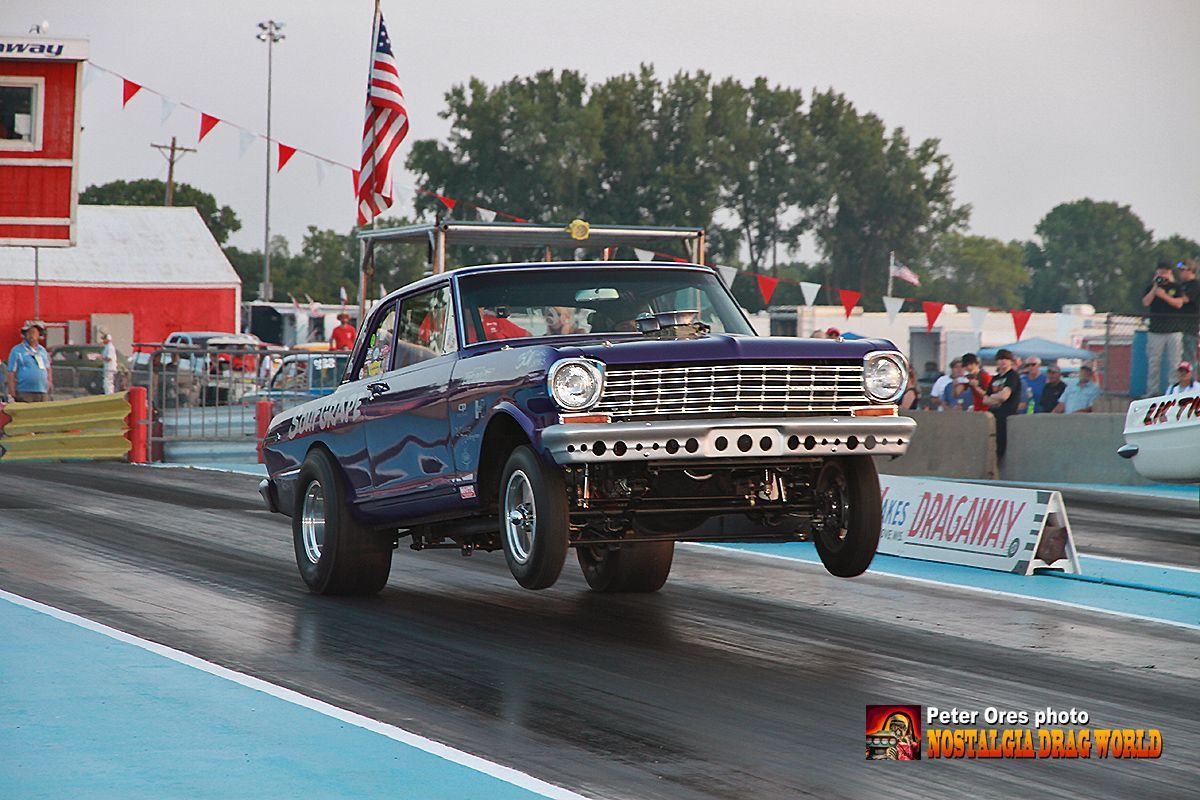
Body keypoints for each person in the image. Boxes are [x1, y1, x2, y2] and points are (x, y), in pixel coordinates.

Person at [1141, 261, 1185, 396]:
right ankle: (1152, 391)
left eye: (1165, 273)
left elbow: (1179, 304)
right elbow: (1145, 302)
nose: (1162, 275)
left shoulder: (1175, 287)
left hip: (1173, 330)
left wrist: (1164, 296)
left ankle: (1174, 391)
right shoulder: (1151, 287)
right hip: (1156, 331)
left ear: (1170, 273)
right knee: (1154, 362)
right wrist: (1155, 288)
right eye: (1160, 273)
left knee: (1174, 362)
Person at [982, 348, 1022, 461]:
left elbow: (1005, 396)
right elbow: (985, 400)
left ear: (1011, 361)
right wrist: (996, 397)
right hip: (993, 413)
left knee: (1001, 444)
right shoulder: (995, 378)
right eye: (1000, 359)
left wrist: (993, 397)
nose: (1003, 361)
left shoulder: (1012, 376)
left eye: (1006, 359)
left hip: (1006, 415)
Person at [6, 321, 53, 402]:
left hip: (42, 392)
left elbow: (48, 368)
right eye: (29, 333)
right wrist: (12, 392)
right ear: (25, 334)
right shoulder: (17, 351)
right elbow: (11, 373)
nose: (31, 335)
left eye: (34, 332)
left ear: (39, 334)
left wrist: (49, 383)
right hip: (24, 392)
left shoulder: (42, 351)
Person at [1178, 259, 1199, 367]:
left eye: (1183, 270)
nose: (1180, 272)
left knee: (1189, 358)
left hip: (1190, 327)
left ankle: (1191, 382)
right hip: (1178, 327)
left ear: (1191, 270)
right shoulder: (1182, 285)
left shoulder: (1195, 285)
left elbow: (1186, 299)